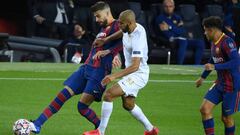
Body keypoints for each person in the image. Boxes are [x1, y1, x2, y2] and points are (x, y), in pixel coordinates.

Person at [29, 1, 123, 134]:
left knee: (82, 107)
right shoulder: (103, 29)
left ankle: (100, 129)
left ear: (107, 12)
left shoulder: (119, 25)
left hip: (99, 73)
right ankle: (37, 125)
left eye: (98, 16)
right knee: (62, 95)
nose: (96, 20)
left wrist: (115, 54)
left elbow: (125, 34)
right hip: (86, 68)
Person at [83, 10, 159, 135]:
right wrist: (106, 40)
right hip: (131, 72)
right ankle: (151, 130)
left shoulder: (138, 37)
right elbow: (120, 33)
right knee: (128, 104)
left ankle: (100, 132)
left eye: (121, 24)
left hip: (138, 74)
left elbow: (135, 66)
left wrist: (113, 76)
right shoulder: (128, 28)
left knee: (108, 95)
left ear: (129, 23)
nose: (119, 26)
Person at [195, 16, 240, 135]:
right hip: (220, 83)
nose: (204, 33)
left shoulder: (227, 42)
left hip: (232, 86)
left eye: (205, 30)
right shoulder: (214, 42)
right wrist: (203, 77)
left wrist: (216, 67)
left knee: (226, 119)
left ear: (212, 30)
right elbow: (213, 59)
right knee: (204, 109)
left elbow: (236, 62)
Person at [155, 0, 205, 64]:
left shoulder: (177, 17)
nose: (168, 8)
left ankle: (197, 66)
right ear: (163, 7)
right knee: (183, 40)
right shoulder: (160, 18)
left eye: (170, 6)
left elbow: (183, 31)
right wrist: (177, 30)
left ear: (174, 7)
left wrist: (170, 27)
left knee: (199, 43)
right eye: (166, 6)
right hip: (169, 40)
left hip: (181, 39)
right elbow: (167, 34)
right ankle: (179, 65)